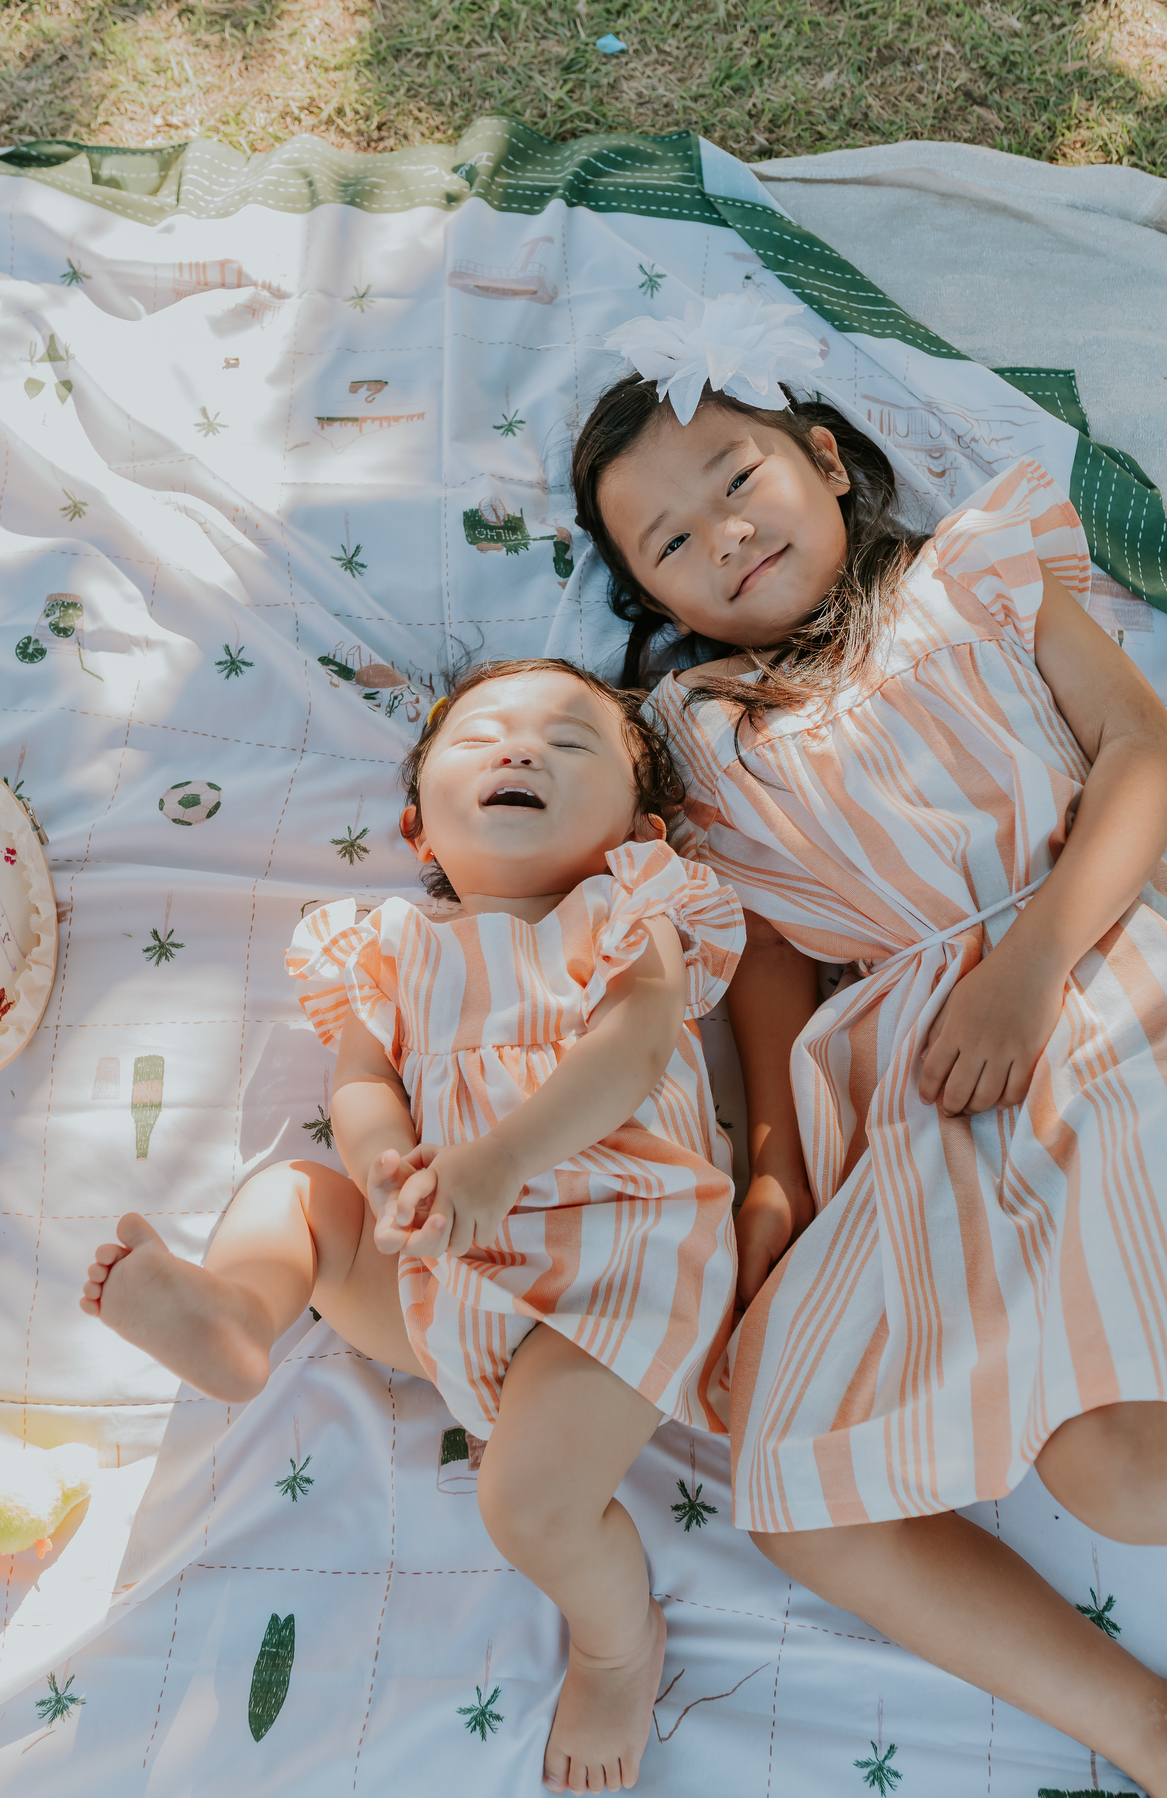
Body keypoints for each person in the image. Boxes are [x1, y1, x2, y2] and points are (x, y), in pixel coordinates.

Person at [571, 296, 1167, 1797]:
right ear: (658, 598)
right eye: (669, 541)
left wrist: (1033, 962)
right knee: (796, 1465)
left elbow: (1150, 754)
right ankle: (1160, 1733)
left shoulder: (972, 574)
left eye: (736, 476)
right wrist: (777, 1176)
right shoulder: (696, 730)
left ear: (829, 459)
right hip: (916, 1080)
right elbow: (767, 965)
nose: (721, 533)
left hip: (1099, 964)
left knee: (1121, 1467)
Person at [80, 657, 744, 1796]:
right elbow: (362, 1084)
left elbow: (633, 1051)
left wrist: (501, 1160)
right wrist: (384, 1169)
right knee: (296, 1193)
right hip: (442, 1260)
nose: (520, 750)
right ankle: (240, 1312)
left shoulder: (628, 909)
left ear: (639, 826)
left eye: (569, 742)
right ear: (416, 825)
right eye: (481, 735)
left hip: (623, 1252)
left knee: (526, 1502)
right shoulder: (381, 945)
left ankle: (617, 1645)